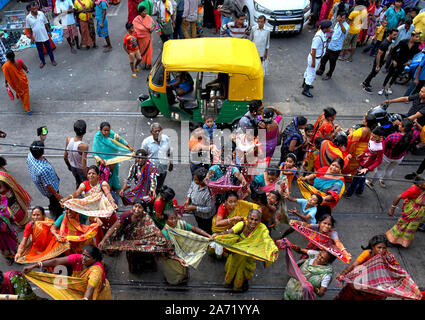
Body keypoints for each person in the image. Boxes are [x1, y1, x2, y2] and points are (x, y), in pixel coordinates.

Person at [212, 209, 278, 292]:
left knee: (242, 271)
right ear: (247, 218)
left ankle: (237, 286)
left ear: (260, 221)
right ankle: (228, 282)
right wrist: (217, 235)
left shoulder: (262, 228)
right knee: (232, 267)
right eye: (251, 219)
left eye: (256, 220)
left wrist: (274, 250)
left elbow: (267, 239)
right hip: (237, 252)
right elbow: (230, 231)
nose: (253, 222)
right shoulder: (242, 224)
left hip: (249, 254)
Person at [99, 199, 170, 273]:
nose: (137, 209)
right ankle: (134, 269)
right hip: (129, 238)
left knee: (146, 250)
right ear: (132, 206)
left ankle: (148, 265)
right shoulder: (125, 215)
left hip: (140, 238)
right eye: (135, 206)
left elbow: (153, 228)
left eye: (140, 207)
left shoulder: (145, 216)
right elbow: (113, 228)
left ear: (143, 209)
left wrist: (162, 239)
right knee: (132, 254)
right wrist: (104, 239)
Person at [23, 245, 112, 300]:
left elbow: (91, 287)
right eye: (83, 255)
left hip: (96, 293)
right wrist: (34, 266)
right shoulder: (78, 258)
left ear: (94, 259)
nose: (83, 258)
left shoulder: (96, 270)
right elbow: (56, 262)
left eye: (87, 257)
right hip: (79, 289)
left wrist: (85, 298)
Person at [60, 165, 118, 241]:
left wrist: (112, 202)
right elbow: (77, 193)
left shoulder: (102, 184)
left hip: (104, 211)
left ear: (98, 175)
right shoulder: (84, 184)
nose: (91, 175)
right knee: (98, 233)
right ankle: (101, 247)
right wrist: (66, 199)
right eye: (89, 173)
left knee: (112, 231)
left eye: (93, 173)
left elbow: (107, 193)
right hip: (93, 213)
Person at [335, 235, 398, 300]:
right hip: (361, 280)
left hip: (377, 283)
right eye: (379, 247)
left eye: (384, 248)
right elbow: (354, 265)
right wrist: (343, 273)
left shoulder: (388, 256)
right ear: (373, 247)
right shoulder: (367, 253)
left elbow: (397, 269)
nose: (381, 250)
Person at [159, 208, 212, 285]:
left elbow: (194, 228)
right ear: (166, 220)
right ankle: (174, 281)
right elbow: (165, 252)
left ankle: (183, 278)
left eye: (175, 218)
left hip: (182, 254)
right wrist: (178, 259)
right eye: (171, 219)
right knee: (174, 271)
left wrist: (208, 236)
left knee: (183, 270)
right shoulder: (164, 233)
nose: (174, 221)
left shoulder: (180, 224)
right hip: (171, 258)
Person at [368, 118, 420, 188]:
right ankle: (383, 181)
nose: (399, 125)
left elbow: (384, 145)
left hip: (387, 156)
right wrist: (416, 123)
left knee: (380, 170)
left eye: (400, 124)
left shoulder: (393, 136)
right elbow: (419, 129)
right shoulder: (413, 135)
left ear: (403, 127)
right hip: (399, 158)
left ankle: (372, 183)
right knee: (390, 170)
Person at [92, 121, 135, 192]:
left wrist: (128, 146)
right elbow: (94, 152)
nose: (106, 132)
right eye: (104, 131)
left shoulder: (113, 135)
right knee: (104, 175)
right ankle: (105, 188)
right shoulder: (97, 137)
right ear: (100, 130)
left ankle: (112, 186)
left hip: (113, 159)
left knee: (112, 173)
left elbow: (121, 140)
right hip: (102, 161)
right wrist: (100, 160)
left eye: (108, 130)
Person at [286, 215, 351, 261]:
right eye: (324, 223)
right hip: (311, 246)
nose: (326, 226)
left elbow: (338, 242)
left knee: (313, 260)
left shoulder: (333, 233)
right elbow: (306, 225)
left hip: (321, 253)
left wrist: (345, 252)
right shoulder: (316, 226)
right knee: (304, 258)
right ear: (319, 223)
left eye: (329, 224)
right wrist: (296, 222)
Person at [27, 141, 63, 220]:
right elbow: (48, 185)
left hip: (44, 183)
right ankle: (57, 216)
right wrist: (57, 195)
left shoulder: (30, 155)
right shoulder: (43, 169)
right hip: (51, 190)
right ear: (43, 152)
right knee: (56, 203)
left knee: (54, 201)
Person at [345, 126, 385, 197]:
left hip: (367, 165)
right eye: (371, 135)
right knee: (362, 177)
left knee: (356, 179)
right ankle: (360, 190)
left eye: (374, 137)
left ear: (380, 137)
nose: (371, 138)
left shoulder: (380, 147)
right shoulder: (373, 139)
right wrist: (362, 154)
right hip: (363, 160)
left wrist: (367, 169)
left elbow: (379, 161)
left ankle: (348, 194)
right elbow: (368, 147)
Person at [386, 176, 425, 247]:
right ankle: (393, 240)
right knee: (403, 226)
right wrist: (392, 209)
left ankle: (402, 241)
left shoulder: (423, 189)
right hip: (411, 212)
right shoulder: (413, 190)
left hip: (418, 214)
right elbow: (398, 197)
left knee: (410, 228)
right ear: (419, 185)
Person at [378, 30, 421, 95]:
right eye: (416, 37)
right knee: (389, 74)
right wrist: (394, 60)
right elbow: (394, 50)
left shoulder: (416, 45)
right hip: (397, 60)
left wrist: (410, 61)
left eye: (418, 37)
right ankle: (382, 88)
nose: (418, 38)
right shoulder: (403, 42)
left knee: (395, 75)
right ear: (412, 36)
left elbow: (414, 54)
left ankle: (389, 87)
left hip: (404, 63)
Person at [361, 28, 399, 93]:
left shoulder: (390, 42)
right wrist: (378, 65)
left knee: (374, 73)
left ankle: (367, 82)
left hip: (382, 61)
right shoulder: (385, 43)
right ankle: (365, 84)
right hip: (379, 61)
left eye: (396, 35)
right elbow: (379, 54)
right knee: (373, 73)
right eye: (394, 35)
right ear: (390, 34)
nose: (395, 36)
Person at [302, 20, 332, 98]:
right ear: (325, 28)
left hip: (315, 58)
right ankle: (305, 90)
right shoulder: (318, 37)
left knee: (308, 71)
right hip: (314, 58)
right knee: (311, 74)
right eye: (329, 27)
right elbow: (314, 49)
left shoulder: (322, 34)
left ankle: (304, 84)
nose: (330, 29)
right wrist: (313, 62)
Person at [316, 11, 349, 80]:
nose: (340, 19)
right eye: (340, 17)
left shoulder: (346, 26)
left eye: (342, 18)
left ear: (345, 19)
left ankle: (329, 74)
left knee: (332, 62)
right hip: (330, 45)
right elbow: (333, 32)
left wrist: (340, 23)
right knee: (324, 59)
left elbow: (344, 31)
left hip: (336, 48)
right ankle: (321, 70)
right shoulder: (337, 24)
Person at [141, 123, 173, 192]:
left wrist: (171, 163)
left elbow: (170, 151)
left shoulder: (166, 139)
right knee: (150, 186)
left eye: (159, 131)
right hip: (151, 170)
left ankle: (158, 193)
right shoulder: (146, 142)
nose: (157, 133)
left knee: (159, 184)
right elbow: (142, 156)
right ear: (151, 132)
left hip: (162, 169)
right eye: (155, 131)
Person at [26, 1, 57, 68]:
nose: (35, 10)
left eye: (36, 8)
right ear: (30, 9)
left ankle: (53, 60)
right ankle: (43, 62)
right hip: (37, 38)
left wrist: (49, 32)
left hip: (45, 36)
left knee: (49, 49)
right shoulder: (28, 17)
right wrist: (31, 38)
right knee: (40, 51)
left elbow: (46, 23)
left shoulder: (41, 14)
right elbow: (29, 29)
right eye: (33, 9)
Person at [183, 167, 213, 233]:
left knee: (207, 230)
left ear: (202, 181)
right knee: (200, 225)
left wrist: (194, 208)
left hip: (206, 217)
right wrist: (188, 199)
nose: (194, 181)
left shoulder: (210, 192)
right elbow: (191, 188)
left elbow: (209, 208)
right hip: (197, 214)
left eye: (196, 180)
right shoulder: (195, 183)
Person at [2, 50, 31, 115]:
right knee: (25, 93)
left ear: (7, 57)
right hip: (22, 81)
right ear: (14, 55)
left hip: (15, 83)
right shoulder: (19, 61)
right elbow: (25, 67)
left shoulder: (6, 66)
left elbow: (6, 76)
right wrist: (27, 70)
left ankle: (18, 95)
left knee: (18, 90)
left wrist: (6, 83)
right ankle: (27, 109)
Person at [64, 119, 89, 188]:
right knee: (85, 184)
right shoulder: (84, 146)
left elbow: (65, 157)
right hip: (81, 170)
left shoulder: (68, 140)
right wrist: (88, 175)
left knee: (78, 181)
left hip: (73, 167)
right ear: (85, 132)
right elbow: (84, 166)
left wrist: (69, 166)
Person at [133, 5, 155, 70]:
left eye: (146, 11)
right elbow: (135, 30)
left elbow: (154, 25)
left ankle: (148, 64)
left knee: (149, 51)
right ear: (140, 12)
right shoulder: (136, 20)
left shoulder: (149, 17)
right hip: (141, 39)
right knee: (142, 51)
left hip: (149, 38)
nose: (145, 12)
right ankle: (143, 63)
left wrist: (152, 29)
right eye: (144, 11)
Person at [0, 196, 18, 265]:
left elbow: (11, 217)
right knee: (3, 247)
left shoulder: (3, 207)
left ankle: (16, 256)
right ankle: (9, 257)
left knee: (12, 244)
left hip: (7, 232)